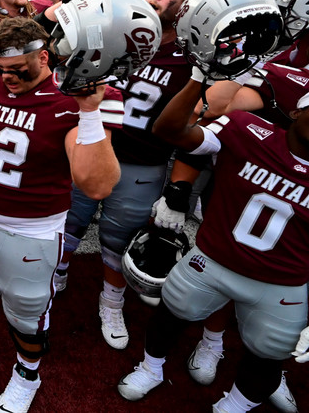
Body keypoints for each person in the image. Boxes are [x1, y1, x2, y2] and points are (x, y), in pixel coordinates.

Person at [0, 18, 122, 413]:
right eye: (2, 69)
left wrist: (90, 112)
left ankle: (27, 374)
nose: (8, 77)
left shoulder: (76, 97)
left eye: (19, 69)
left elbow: (96, 185)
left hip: (32, 230)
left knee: (26, 312)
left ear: (45, 57)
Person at [117, 76, 309, 413]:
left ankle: (234, 406)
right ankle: (151, 367)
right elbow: (173, 131)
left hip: (283, 282)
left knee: (271, 355)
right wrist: (198, 78)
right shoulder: (247, 128)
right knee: (170, 313)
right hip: (214, 259)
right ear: (295, 112)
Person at [57, 0, 209, 349]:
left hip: (143, 161)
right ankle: (56, 274)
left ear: (191, 5)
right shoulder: (116, 32)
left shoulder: (195, 57)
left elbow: (199, 128)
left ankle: (111, 301)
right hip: (90, 146)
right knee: (68, 222)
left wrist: (178, 187)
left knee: (118, 237)